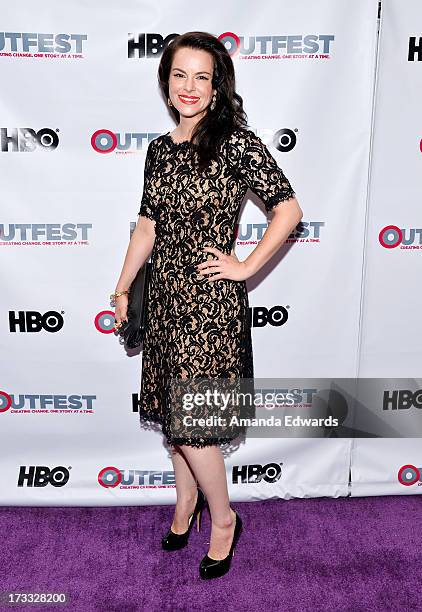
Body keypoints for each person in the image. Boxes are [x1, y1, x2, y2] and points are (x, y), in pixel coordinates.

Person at [112, 31, 303, 580]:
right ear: (166, 83)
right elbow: (147, 226)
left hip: (210, 308)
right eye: (180, 75)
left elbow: (288, 211)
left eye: (202, 76)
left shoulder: (237, 144)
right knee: (177, 425)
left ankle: (224, 520)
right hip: (166, 304)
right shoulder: (159, 149)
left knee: (195, 426)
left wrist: (245, 267)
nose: (190, 87)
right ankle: (184, 505)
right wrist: (122, 287)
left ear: (218, 85)